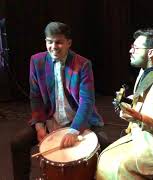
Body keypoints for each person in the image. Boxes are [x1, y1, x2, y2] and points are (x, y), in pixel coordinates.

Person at [10, 21, 109, 180]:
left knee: (106, 144)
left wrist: (74, 130)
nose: (53, 46)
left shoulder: (83, 64)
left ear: (68, 43)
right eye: (50, 42)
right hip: (50, 120)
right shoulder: (36, 61)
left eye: (59, 42)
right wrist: (39, 126)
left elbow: (87, 102)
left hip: (77, 121)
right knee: (17, 143)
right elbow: (35, 97)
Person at [96, 28, 153, 180]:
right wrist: (127, 104)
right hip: (144, 135)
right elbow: (144, 97)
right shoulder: (144, 71)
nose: (130, 50)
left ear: (150, 52)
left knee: (118, 166)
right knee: (105, 157)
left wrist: (139, 117)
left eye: (135, 47)